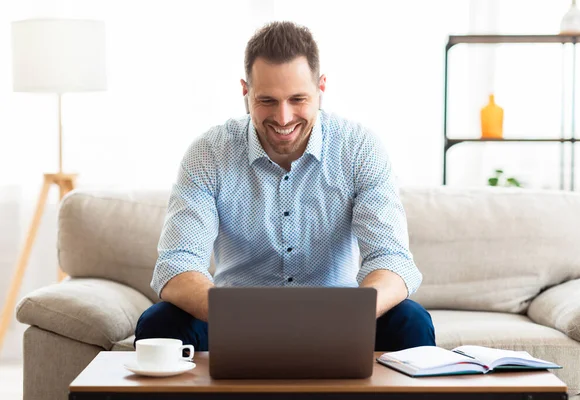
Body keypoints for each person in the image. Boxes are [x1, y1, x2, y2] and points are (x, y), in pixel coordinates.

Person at [135, 21, 436, 352]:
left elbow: (391, 259)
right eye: (267, 100)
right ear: (245, 91)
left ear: (321, 88)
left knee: (412, 322)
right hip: (235, 321)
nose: (283, 117)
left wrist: (351, 314)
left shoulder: (359, 148)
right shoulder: (209, 153)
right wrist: (242, 315)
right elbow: (177, 264)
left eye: (298, 99)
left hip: (338, 321)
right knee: (158, 323)